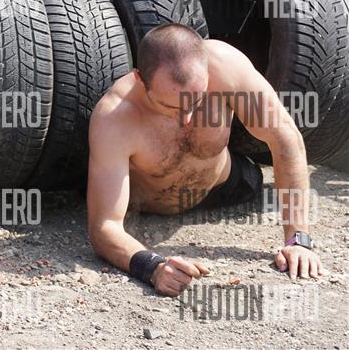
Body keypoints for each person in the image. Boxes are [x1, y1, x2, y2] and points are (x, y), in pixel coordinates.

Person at [86, 24, 322, 296]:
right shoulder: (115, 117)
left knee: (255, 178)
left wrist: (298, 240)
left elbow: (285, 138)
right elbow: (104, 227)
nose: (187, 117)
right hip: (149, 204)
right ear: (140, 79)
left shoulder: (226, 67)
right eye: (170, 107)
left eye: (195, 100)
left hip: (225, 187)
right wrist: (153, 267)